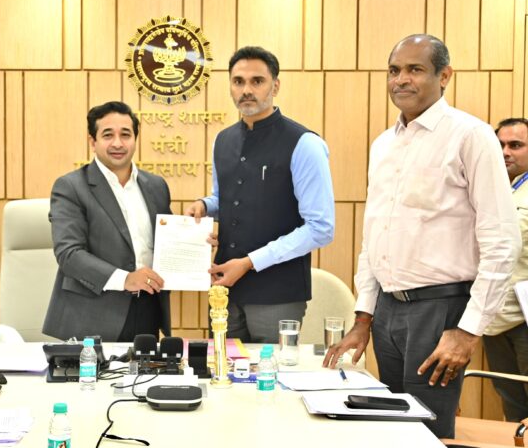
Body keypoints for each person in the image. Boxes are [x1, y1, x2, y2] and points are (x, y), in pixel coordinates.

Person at [324, 34, 520, 438]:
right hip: (388, 312)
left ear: (444, 76)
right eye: (394, 70)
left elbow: (502, 240)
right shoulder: (383, 145)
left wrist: (468, 331)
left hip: (440, 309)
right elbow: (374, 238)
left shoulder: (471, 135)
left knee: (428, 433)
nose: (401, 79)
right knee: (392, 429)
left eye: (415, 69)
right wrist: (363, 318)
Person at [185, 46, 335, 342]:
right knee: (222, 367)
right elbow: (228, 200)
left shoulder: (304, 144)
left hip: (277, 293)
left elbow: (321, 228)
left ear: (275, 86)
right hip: (224, 288)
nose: (247, 90)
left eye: (257, 81)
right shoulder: (222, 140)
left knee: (271, 371)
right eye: (238, 81)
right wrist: (205, 205)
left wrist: (249, 262)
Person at [42, 101, 174, 342]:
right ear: (92, 141)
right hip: (94, 316)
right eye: (107, 135)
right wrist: (125, 279)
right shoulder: (71, 187)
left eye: (125, 134)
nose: (117, 143)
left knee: (147, 368)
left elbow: (168, 242)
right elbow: (69, 254)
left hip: (148, 309)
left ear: (135, 139)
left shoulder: (156, 186)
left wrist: (197, 247)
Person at [483, 118, 528, 421]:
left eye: (515, 145)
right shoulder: (492, 188)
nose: (505, 152)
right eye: (500, 145)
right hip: (494, 316)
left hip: (524, 317)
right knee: (511, 402)